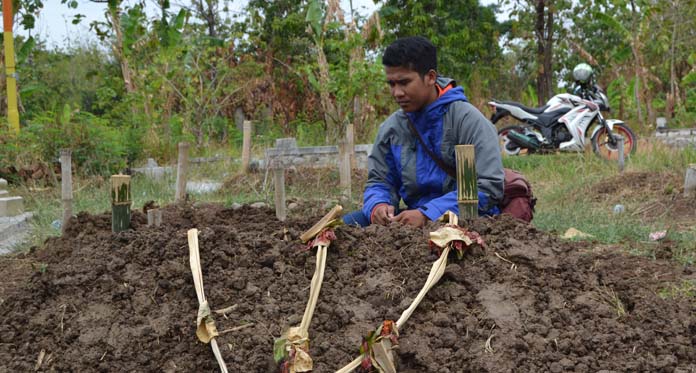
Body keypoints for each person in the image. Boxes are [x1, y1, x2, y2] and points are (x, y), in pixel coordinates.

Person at [343, 36, 504, 228]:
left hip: (467, 220)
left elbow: (488, 187)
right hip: (413, 219)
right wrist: (378, 205)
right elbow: (380, 181)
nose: (397, 93)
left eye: (404, 82)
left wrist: (428, 214)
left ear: (430, 77)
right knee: (343, 228)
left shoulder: (467, 121)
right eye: (391, 84)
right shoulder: (392, 129)